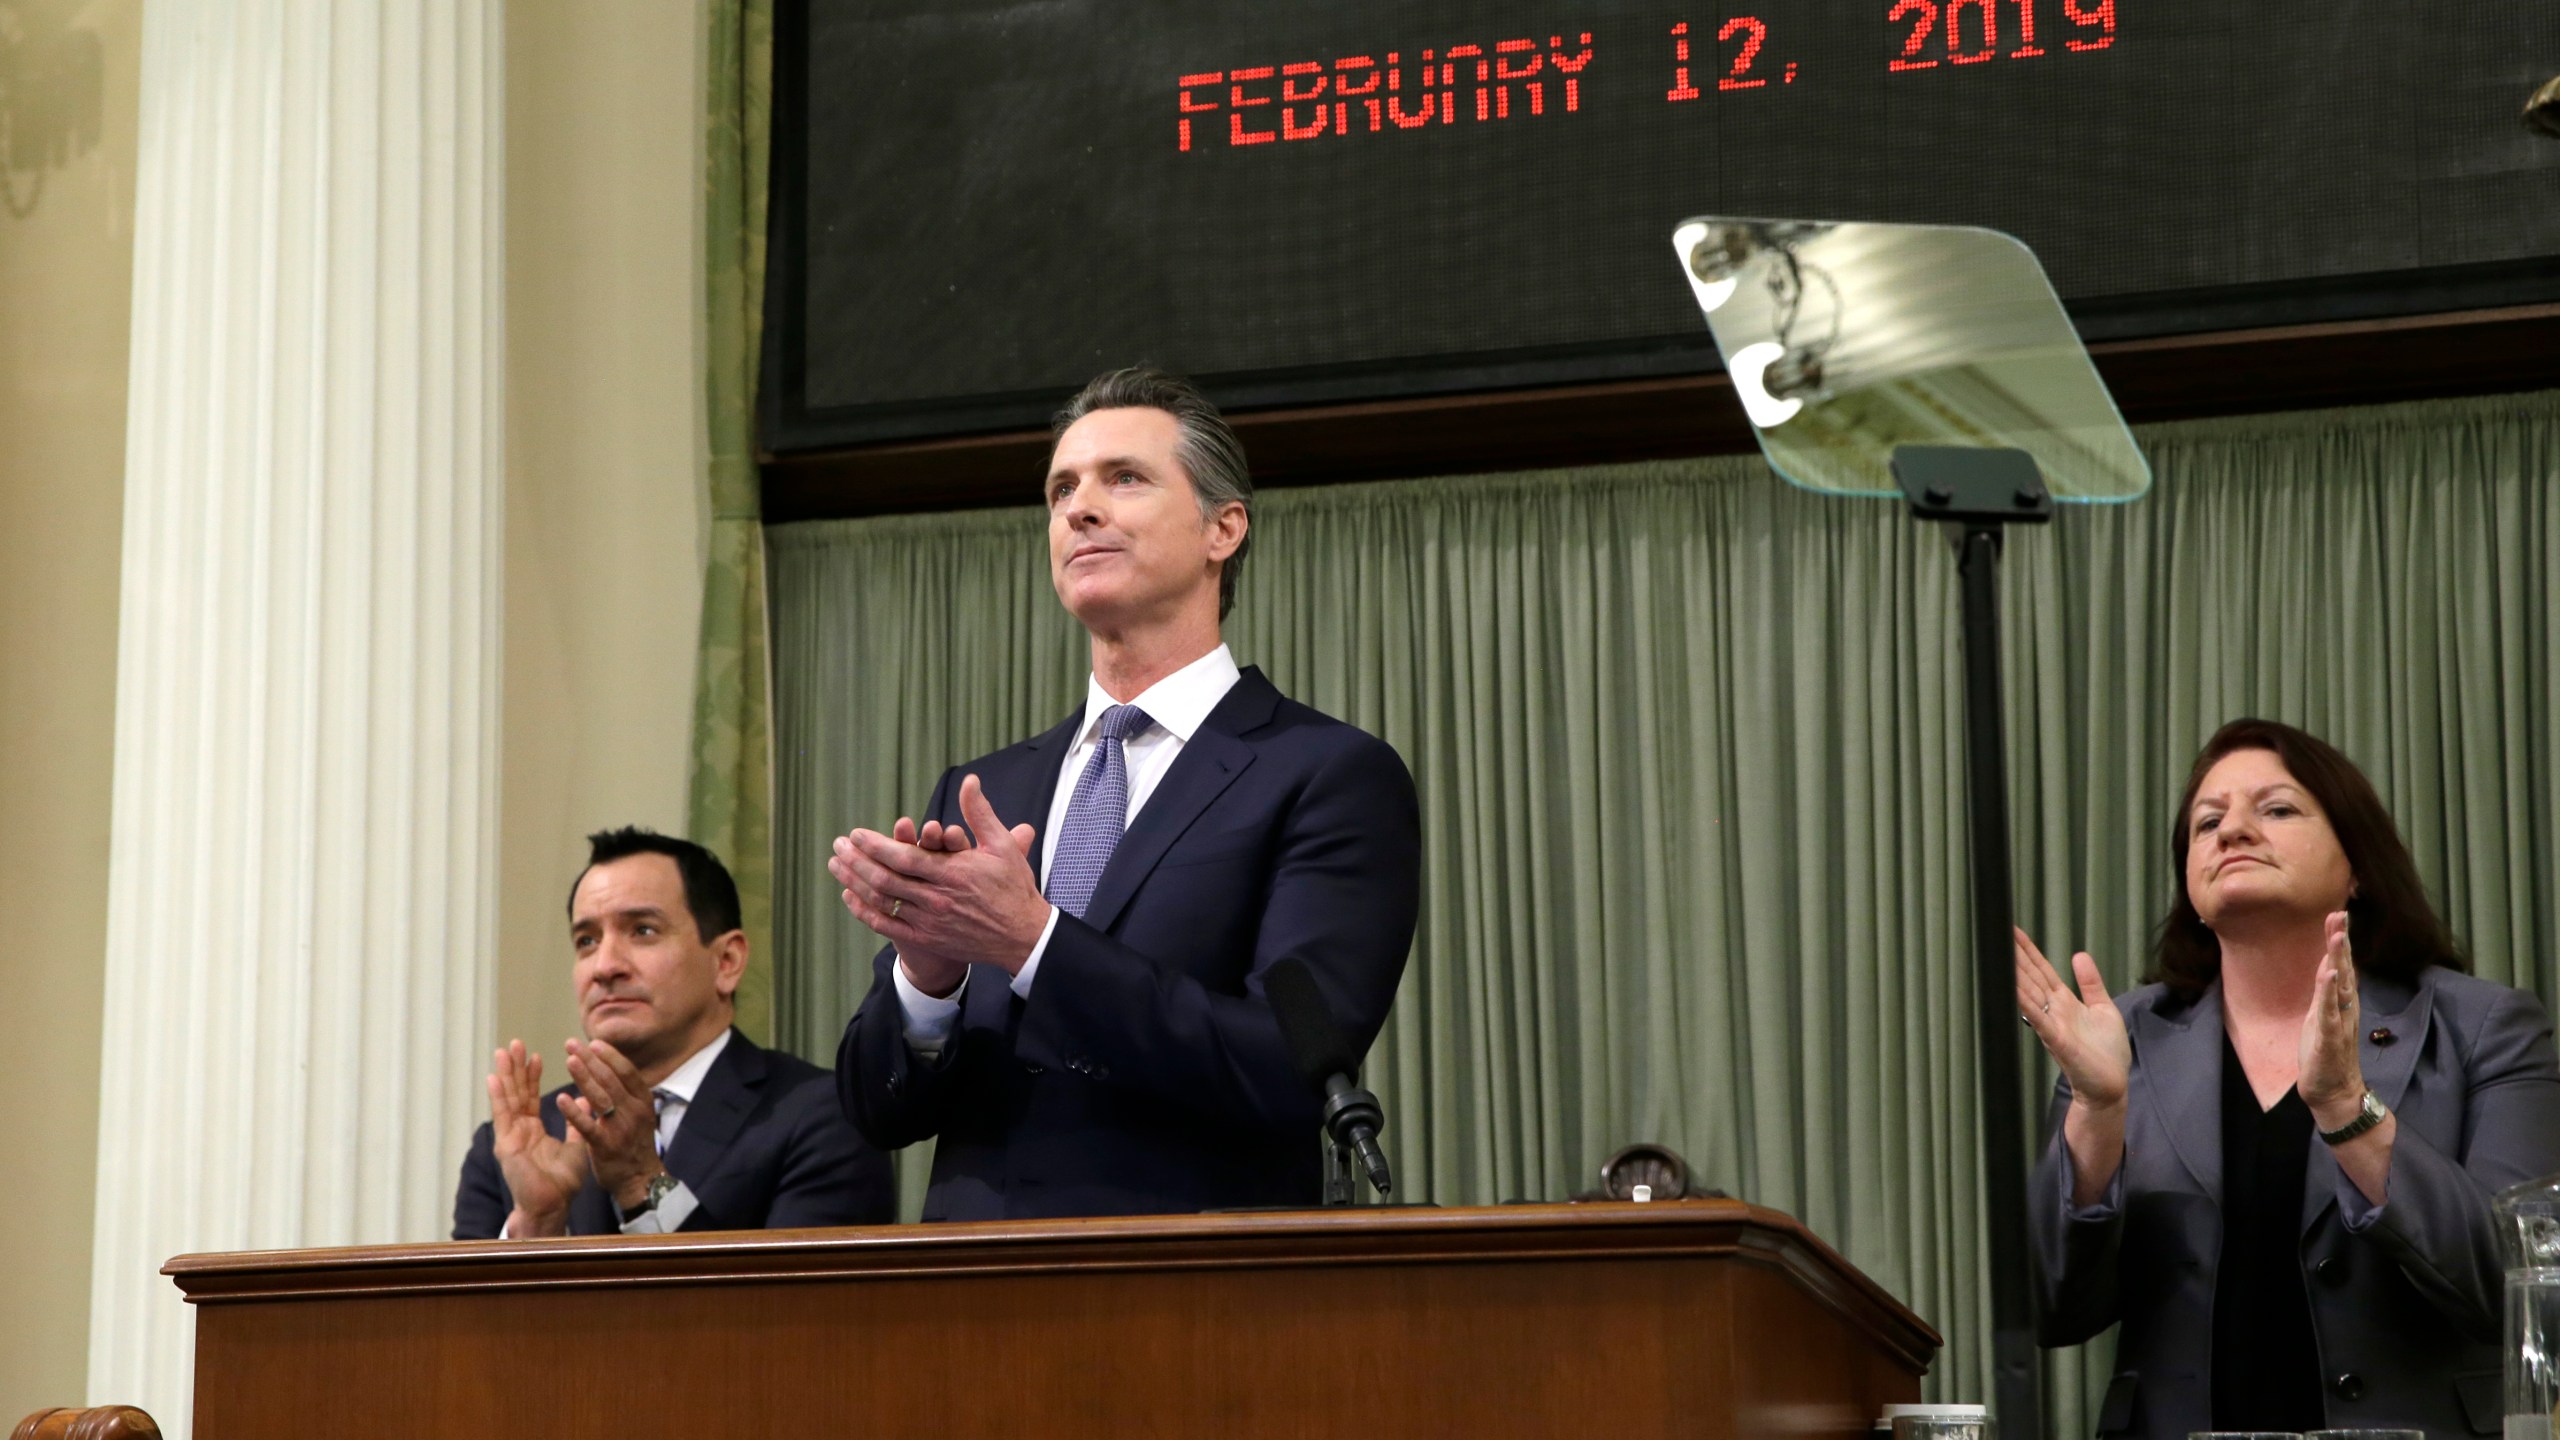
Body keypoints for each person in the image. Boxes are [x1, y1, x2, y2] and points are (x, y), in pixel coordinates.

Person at [827, 366, 1422, 1221]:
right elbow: (879, 1110)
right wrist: (931, 978)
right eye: (1061, 488)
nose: (1079, 508)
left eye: (1125, 479)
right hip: (968, 1302)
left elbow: (1284, 1070)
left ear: (1224, 528)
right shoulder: (986, 788)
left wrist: (1035, 942)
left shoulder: (1325, 773)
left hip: (1185, 1296)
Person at [2017, 718, 2560, 1438]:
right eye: (2208, 821)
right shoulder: (2120, 1043)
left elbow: (2516, 1292)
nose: (2232, 831)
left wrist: (2345, 1108)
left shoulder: (2485, 1028)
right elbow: (2051, 1311)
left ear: (2357, 864)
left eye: (2276, 809)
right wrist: (2098, 1108)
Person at [454, 828, 894, 1237]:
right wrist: (537, 1222)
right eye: (586, 940)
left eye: (642, 931)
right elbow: (457, 1321)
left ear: (727, 962)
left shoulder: (826, 1116)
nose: (605, 966)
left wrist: (640, 1183)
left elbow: (794, 1313)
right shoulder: (515, 1143)